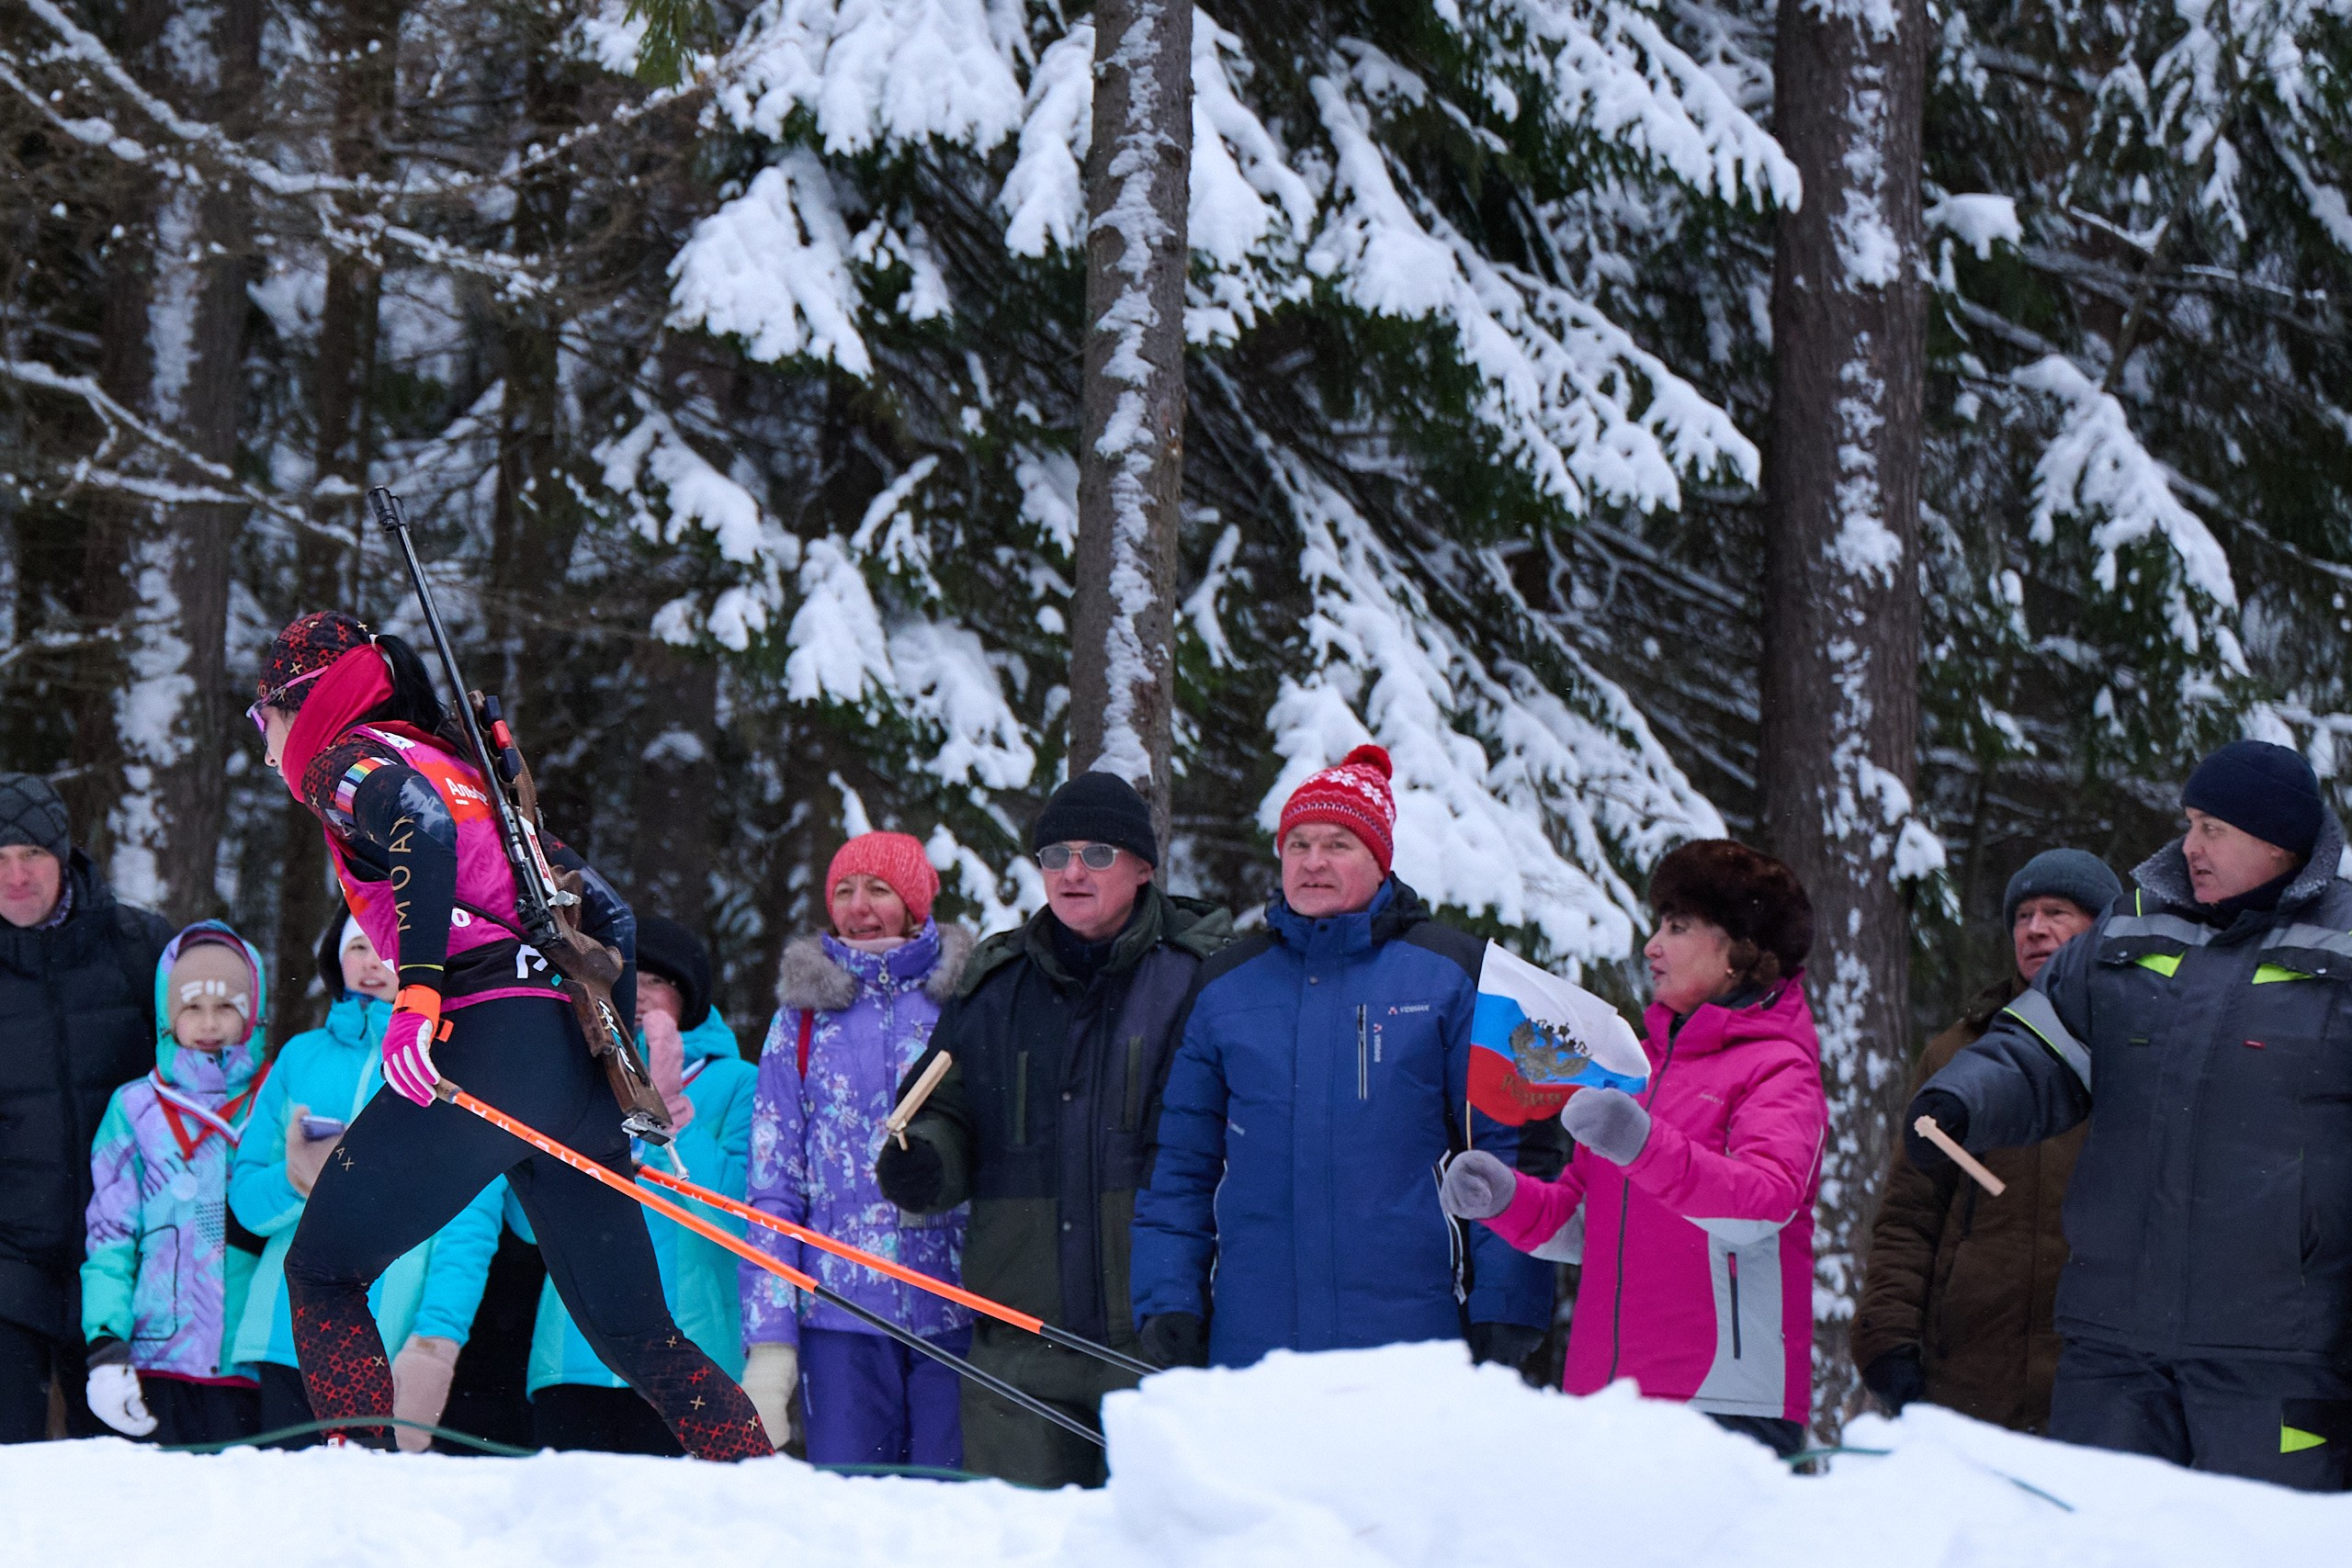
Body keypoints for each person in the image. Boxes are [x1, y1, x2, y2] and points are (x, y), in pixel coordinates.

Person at [250, 611, 768, 1459]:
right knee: (640, 1334)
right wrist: (616, 1072)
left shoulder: (342, 758)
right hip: (570, 1057)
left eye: (260, 718)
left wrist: (418, 995)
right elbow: (610, 912)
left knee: (322, 1272)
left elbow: (420, 822)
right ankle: (764, 1479)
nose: (268, 749)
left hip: (484, 1040)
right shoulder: (462, 764)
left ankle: (359, 1495)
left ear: (300, 703)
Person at [1909, 739, 2352, 1490]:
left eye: (2213, 828)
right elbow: (2041, 1046)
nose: (2190, 845)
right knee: (2100, 1537)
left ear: (2277, 842)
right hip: (2112, 1350)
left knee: (2257, 1543)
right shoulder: (2129, 926)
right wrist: (1964, 1099)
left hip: (2281, 1353)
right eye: (2190, 822)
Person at [1130, 744, 1555, 1372]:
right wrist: (1169, 1295)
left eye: (1338, 844)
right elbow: (1179, 1162)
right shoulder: (1225, 988)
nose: (1313, 862)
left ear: (1380, 861)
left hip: (1414, 1341)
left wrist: (1508, 1301)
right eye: (1298, 844)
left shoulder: (1451, 975)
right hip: (1256, 1343)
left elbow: (1506, 1149)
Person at [875, 773, 1231, 1487]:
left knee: (1160, 1534)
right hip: (1018, 1346)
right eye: (1056, 854)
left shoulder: (1203, 976)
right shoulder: (995, 983)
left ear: (1143, 867)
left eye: (1097, 854)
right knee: (1024, 1538)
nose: (1073, 872)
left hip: (1158, 1339)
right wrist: (928, 1160)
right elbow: (943, 1107)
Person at [1438, 840, 1826, 1458]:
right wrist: (1504, 1199)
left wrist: (1642, 1145)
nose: (1652, 945)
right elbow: (1583, 1221)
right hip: (1606, 1399)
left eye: (1678, 926)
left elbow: (1764, 1204)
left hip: (1724, 1404)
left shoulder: (1778, 1067)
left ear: (1740, 949)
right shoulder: (1638, 1066)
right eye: (1658, 924)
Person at [1853, 848, 2120, 1433]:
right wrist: (1887, 1336)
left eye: (2056, 912)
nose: (2035, 928)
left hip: (2101, 1381)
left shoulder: (2138, 1051)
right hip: (1967, 1375)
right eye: (2023, 916)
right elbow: (1910, 1214)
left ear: (2102, 927)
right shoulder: (1958, 1055)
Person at [742, 832, 974, 1468]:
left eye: (879, 889)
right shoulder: (801, 1019)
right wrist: (771, 1347)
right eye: (843, 890)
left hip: (957, 1307)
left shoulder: (964, 1003)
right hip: (839, 1317)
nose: (858, 906)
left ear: (915, 903)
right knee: (850, 1505)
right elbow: (773, 1187)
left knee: (952, 1506)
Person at [229, 917, 503, 1450]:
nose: (373, 962)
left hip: (387, 1344)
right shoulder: (300, 1056)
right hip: (285, 1337)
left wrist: (435, 1341)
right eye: (359, 945)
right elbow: (246, 1205)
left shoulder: (458, 1068)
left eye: (390, 947)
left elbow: (469, 1229)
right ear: (337, 957)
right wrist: (298, 1181)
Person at [526, 915, 756, 1455]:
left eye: (655, 981)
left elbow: (740, 1219)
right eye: (624, 977)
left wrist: (675, 1117)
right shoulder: (575, 1072)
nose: (638, 993)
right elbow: (526, 1223)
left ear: (688, 996)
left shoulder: (737, 1082)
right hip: (571, 1356)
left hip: (693, 1354)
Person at [0, 773, 171, 1442]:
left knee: (124, 1471)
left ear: (63, 853)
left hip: (122, 1264)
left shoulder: (139, 946)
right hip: (9, 1263)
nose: (15, 876)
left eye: (31, 854)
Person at [80, 921, 271, 1445]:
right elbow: (110, 1237)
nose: (209, 1023)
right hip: (156, 1357)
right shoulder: (135, 1108)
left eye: (226, 1006)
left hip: (251, 1357)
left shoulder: (274, 1097)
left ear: (253, 1012)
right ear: (168, 1015)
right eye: (192, 1007)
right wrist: (106, 1343)